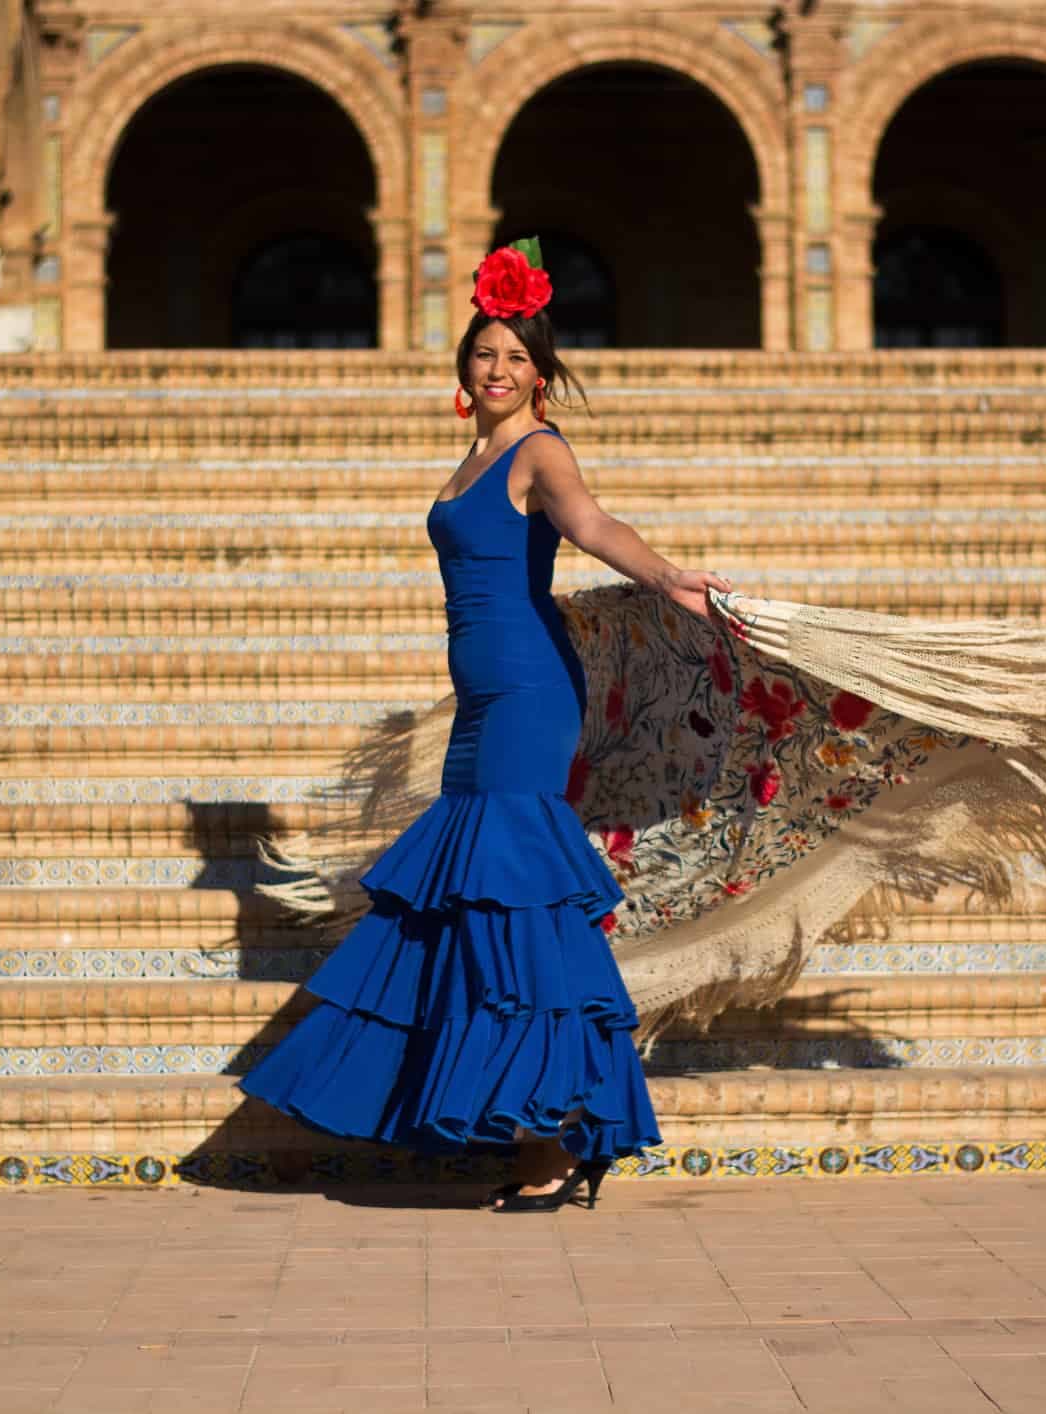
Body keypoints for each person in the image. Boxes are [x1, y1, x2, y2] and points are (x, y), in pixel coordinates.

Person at [237, 239, 732, 1212]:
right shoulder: (471, 457)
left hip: (529, 696)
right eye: (484, 354)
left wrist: (668, 574)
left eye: (516, 357)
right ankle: (551, 1123)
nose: (498, 370)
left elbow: (593, 527)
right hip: (482, 703)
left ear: (539, 375)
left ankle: (553, 1137)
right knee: (481, 910)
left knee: (521, 909)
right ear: (464, 368)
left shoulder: (539, 451)